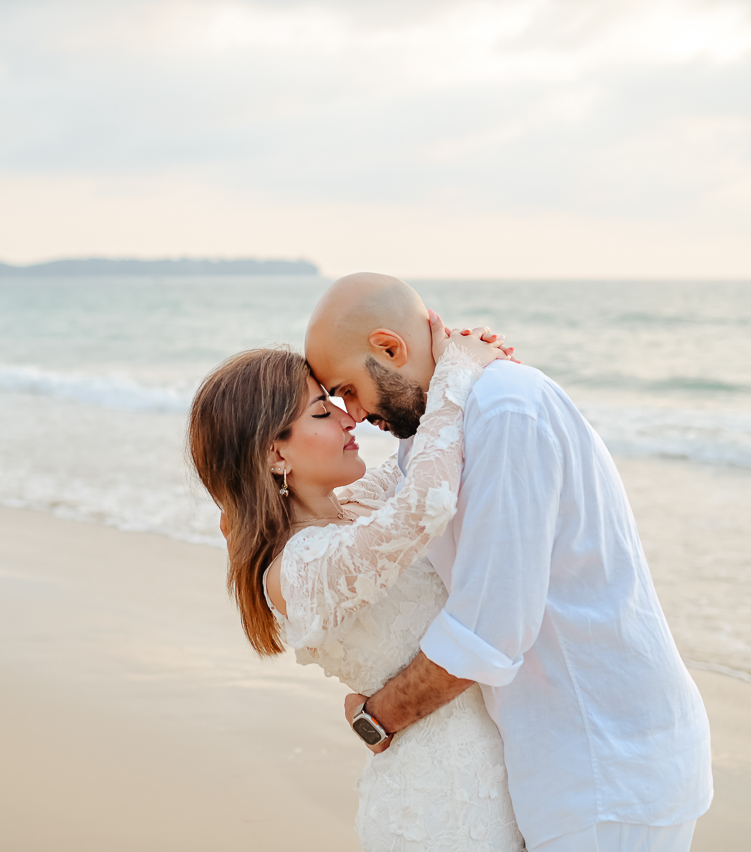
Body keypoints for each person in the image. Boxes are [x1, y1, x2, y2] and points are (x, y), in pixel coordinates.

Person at [304, 273, 713, 852]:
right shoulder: (430, 430)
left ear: (390, 348)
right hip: (560, 757)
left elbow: (490, 625)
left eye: (347, 389)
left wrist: (377, 718)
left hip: (606, 762)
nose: (351, 414)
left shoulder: (503, 411)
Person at [188, 314, 528, 850]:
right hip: (444, 806)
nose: (349, 418)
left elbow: (426, 455)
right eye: (323, 410)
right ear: (277, 453)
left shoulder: (353, 509)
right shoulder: (298, 567)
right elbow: (427, 502)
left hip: (490, 781)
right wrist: (455, 375)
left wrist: (437, 357)